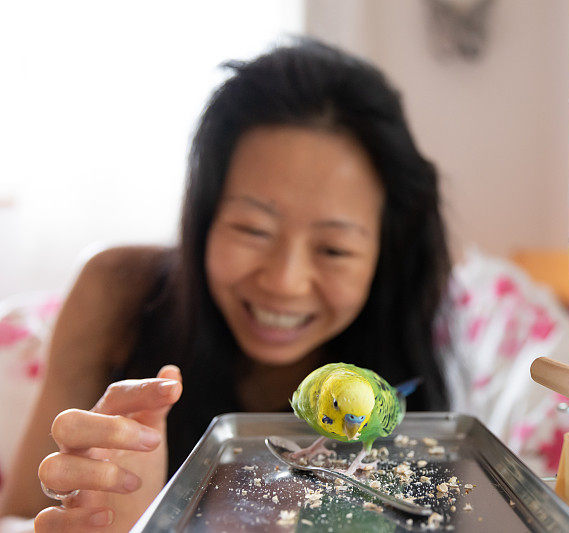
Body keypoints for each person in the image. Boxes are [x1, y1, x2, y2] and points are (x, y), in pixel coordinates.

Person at [0, 37, 451, 532]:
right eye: (252, 230)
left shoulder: (416, 336)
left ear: (386, 254)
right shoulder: (115, 291)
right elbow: (20, 515)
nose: (284, 282)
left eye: (334, 250)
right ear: (204, 218)